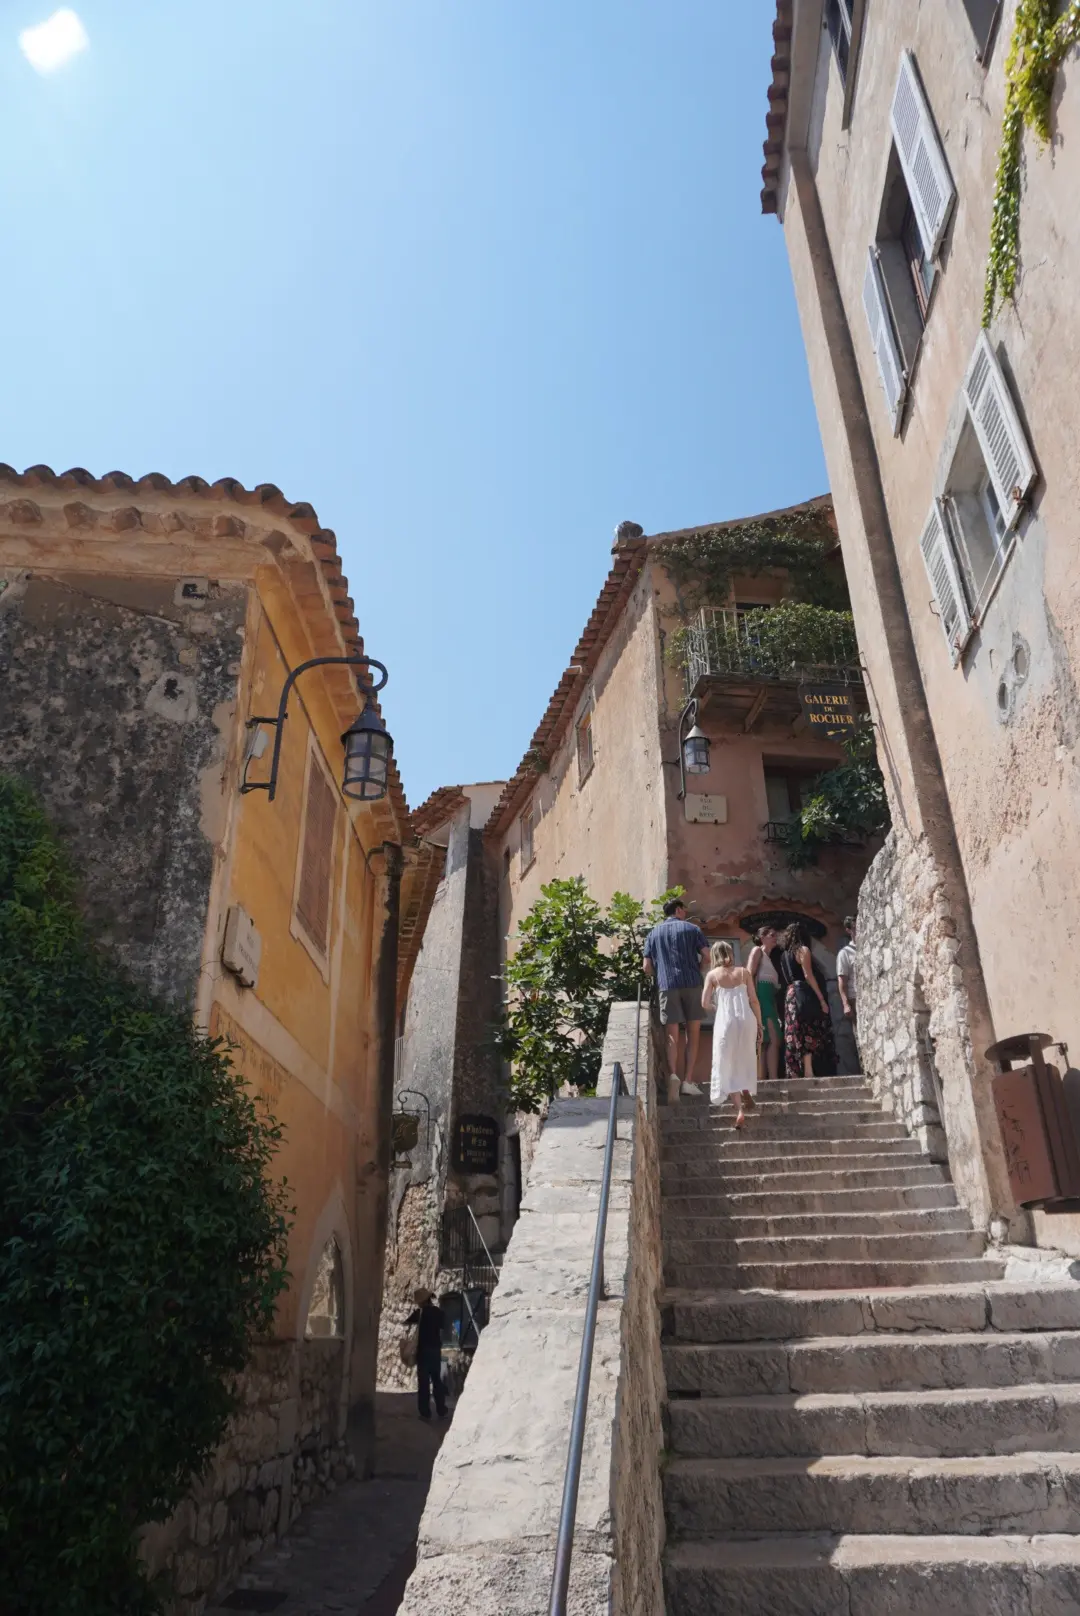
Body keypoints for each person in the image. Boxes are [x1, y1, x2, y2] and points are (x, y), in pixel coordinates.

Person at [643, 898, 711, 1097]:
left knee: (672, 1034)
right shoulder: (692, 929)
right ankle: (688, 1080)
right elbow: (707, 956)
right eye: (684, 910)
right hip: (692, 983)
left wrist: (661, 975)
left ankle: (673, 1075)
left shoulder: (653, 933)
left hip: (667, 986)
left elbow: (646, 967)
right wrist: (699, 970)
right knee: (693, 1033)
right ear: (679, 910)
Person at [702, 941, 762, 1129]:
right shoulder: (744, 972)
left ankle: (739, 1111)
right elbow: (754, 1000)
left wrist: (717, 1007)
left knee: (727, 1063)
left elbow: (704, 1003)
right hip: (747, 1019)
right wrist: (759, 1024)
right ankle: (746, 1091)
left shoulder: (712, 975)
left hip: (726, 1022)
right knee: (744, 1057)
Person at [778, 921, 836, 1081]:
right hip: (802, 992)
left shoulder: (783, 955)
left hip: (790, 994)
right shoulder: (803, 950)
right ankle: (809, 1071)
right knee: (807, 1028)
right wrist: (821, 999)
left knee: (793, 1031)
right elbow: (808, 975)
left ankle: (795, 1072)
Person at [404, 1287, 447, 1420]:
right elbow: (443, 1325)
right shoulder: (438, 1312)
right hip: (435, 1351)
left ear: (421, 1301)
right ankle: (441, 1409)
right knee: (437, 1380)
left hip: (423, 1353)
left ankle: (425, 1412)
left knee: (423, 1384)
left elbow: (407, 1321)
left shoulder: (420, 1313)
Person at [746, 925, 783, 1084]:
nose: (775, 938)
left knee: (772, 1039)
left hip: (769, 1000)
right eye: (772, 935)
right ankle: (762, 1078)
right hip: (760, 998)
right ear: (762, 937)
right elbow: (749, 974)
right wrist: (752, 1001)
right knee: (766, 1039)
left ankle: (771, 1078)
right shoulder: (757, 951)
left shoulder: (770, 958)